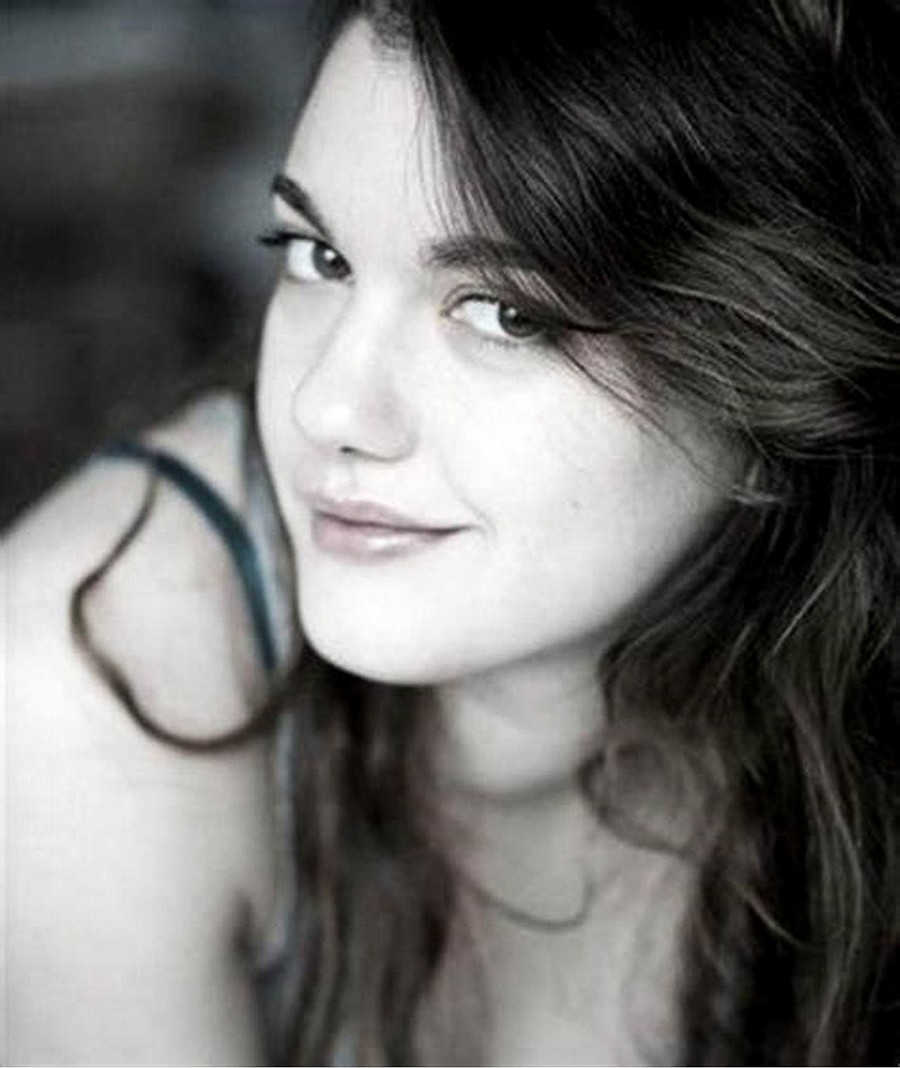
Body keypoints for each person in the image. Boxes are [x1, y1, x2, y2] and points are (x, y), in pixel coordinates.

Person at [5, 0, 900, 1063]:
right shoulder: (91, 669)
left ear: (780, 362)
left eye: (506, 312)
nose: (328, 407)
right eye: (317, 256)